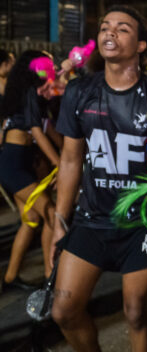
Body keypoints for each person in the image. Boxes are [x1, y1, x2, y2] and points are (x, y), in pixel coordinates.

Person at [50, 6, 147, 352]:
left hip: (141, 225)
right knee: (63, 310)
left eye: (122, 28)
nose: (110, 32)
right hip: (92, 220)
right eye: (105, 27)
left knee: (135, 312)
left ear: (141, 45)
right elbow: (71, 160)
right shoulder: (79, 92)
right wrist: (61, 221)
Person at [0, 50, 60, 289]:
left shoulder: (32, 93)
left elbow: (48, 128)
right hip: (13, 164)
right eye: (48, 63)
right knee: (52, 214)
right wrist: (59, 163)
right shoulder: (29, 94)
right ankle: (50, 275)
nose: (52, 67)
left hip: (21, 160)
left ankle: (11, 277)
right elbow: (37, 131)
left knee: (33, 218)